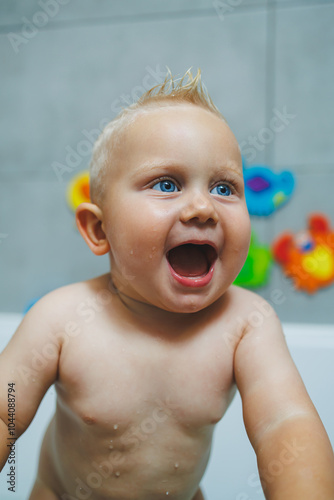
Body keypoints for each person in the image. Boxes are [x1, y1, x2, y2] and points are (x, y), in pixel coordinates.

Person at [1, 69, 333, 500]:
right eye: (167, 184)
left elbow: (285, 423)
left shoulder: (246, 323)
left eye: (224, 187)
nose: (202, 206)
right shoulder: (61, 318)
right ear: (99, 230)